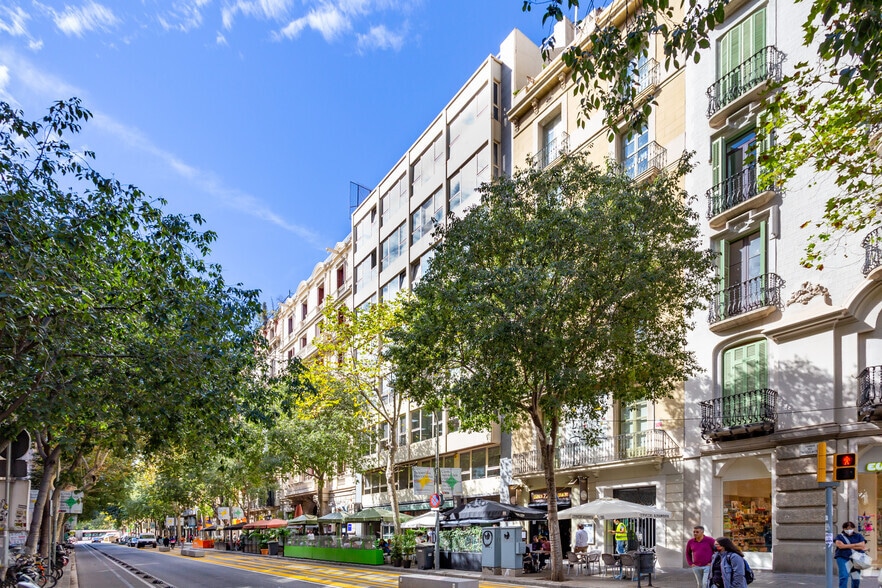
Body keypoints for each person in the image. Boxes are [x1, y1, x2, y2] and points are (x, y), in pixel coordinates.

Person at [834, 521, 867, 588]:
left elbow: (862, 546)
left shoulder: (858, 536)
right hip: (842, 557)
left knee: (856, 577)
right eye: (847, 528)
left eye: (850, 528)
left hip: (856, 559)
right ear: (843, 529)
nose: (849, 530)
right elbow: (840, 546)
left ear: (854, 528)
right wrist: (856, 545)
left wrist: (846, 545)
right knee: (844, 576)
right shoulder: (839, 536)